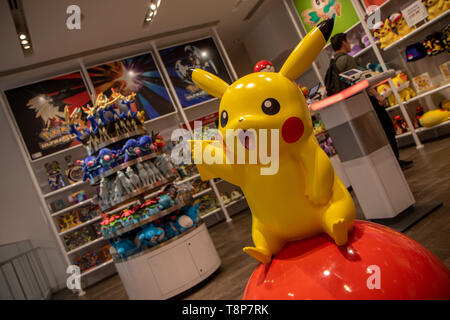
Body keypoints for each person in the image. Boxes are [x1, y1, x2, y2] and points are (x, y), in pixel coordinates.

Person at [329, 33, 413, 169]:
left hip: (354, 104)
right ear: (344, 43)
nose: (350, 44)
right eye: (348, 40)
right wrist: (378, 96)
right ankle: (395, 162)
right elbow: (362, 81)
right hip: (366, 100)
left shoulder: (334, 63)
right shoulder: (347, 59)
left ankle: (390, 163)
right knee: (386, 127)